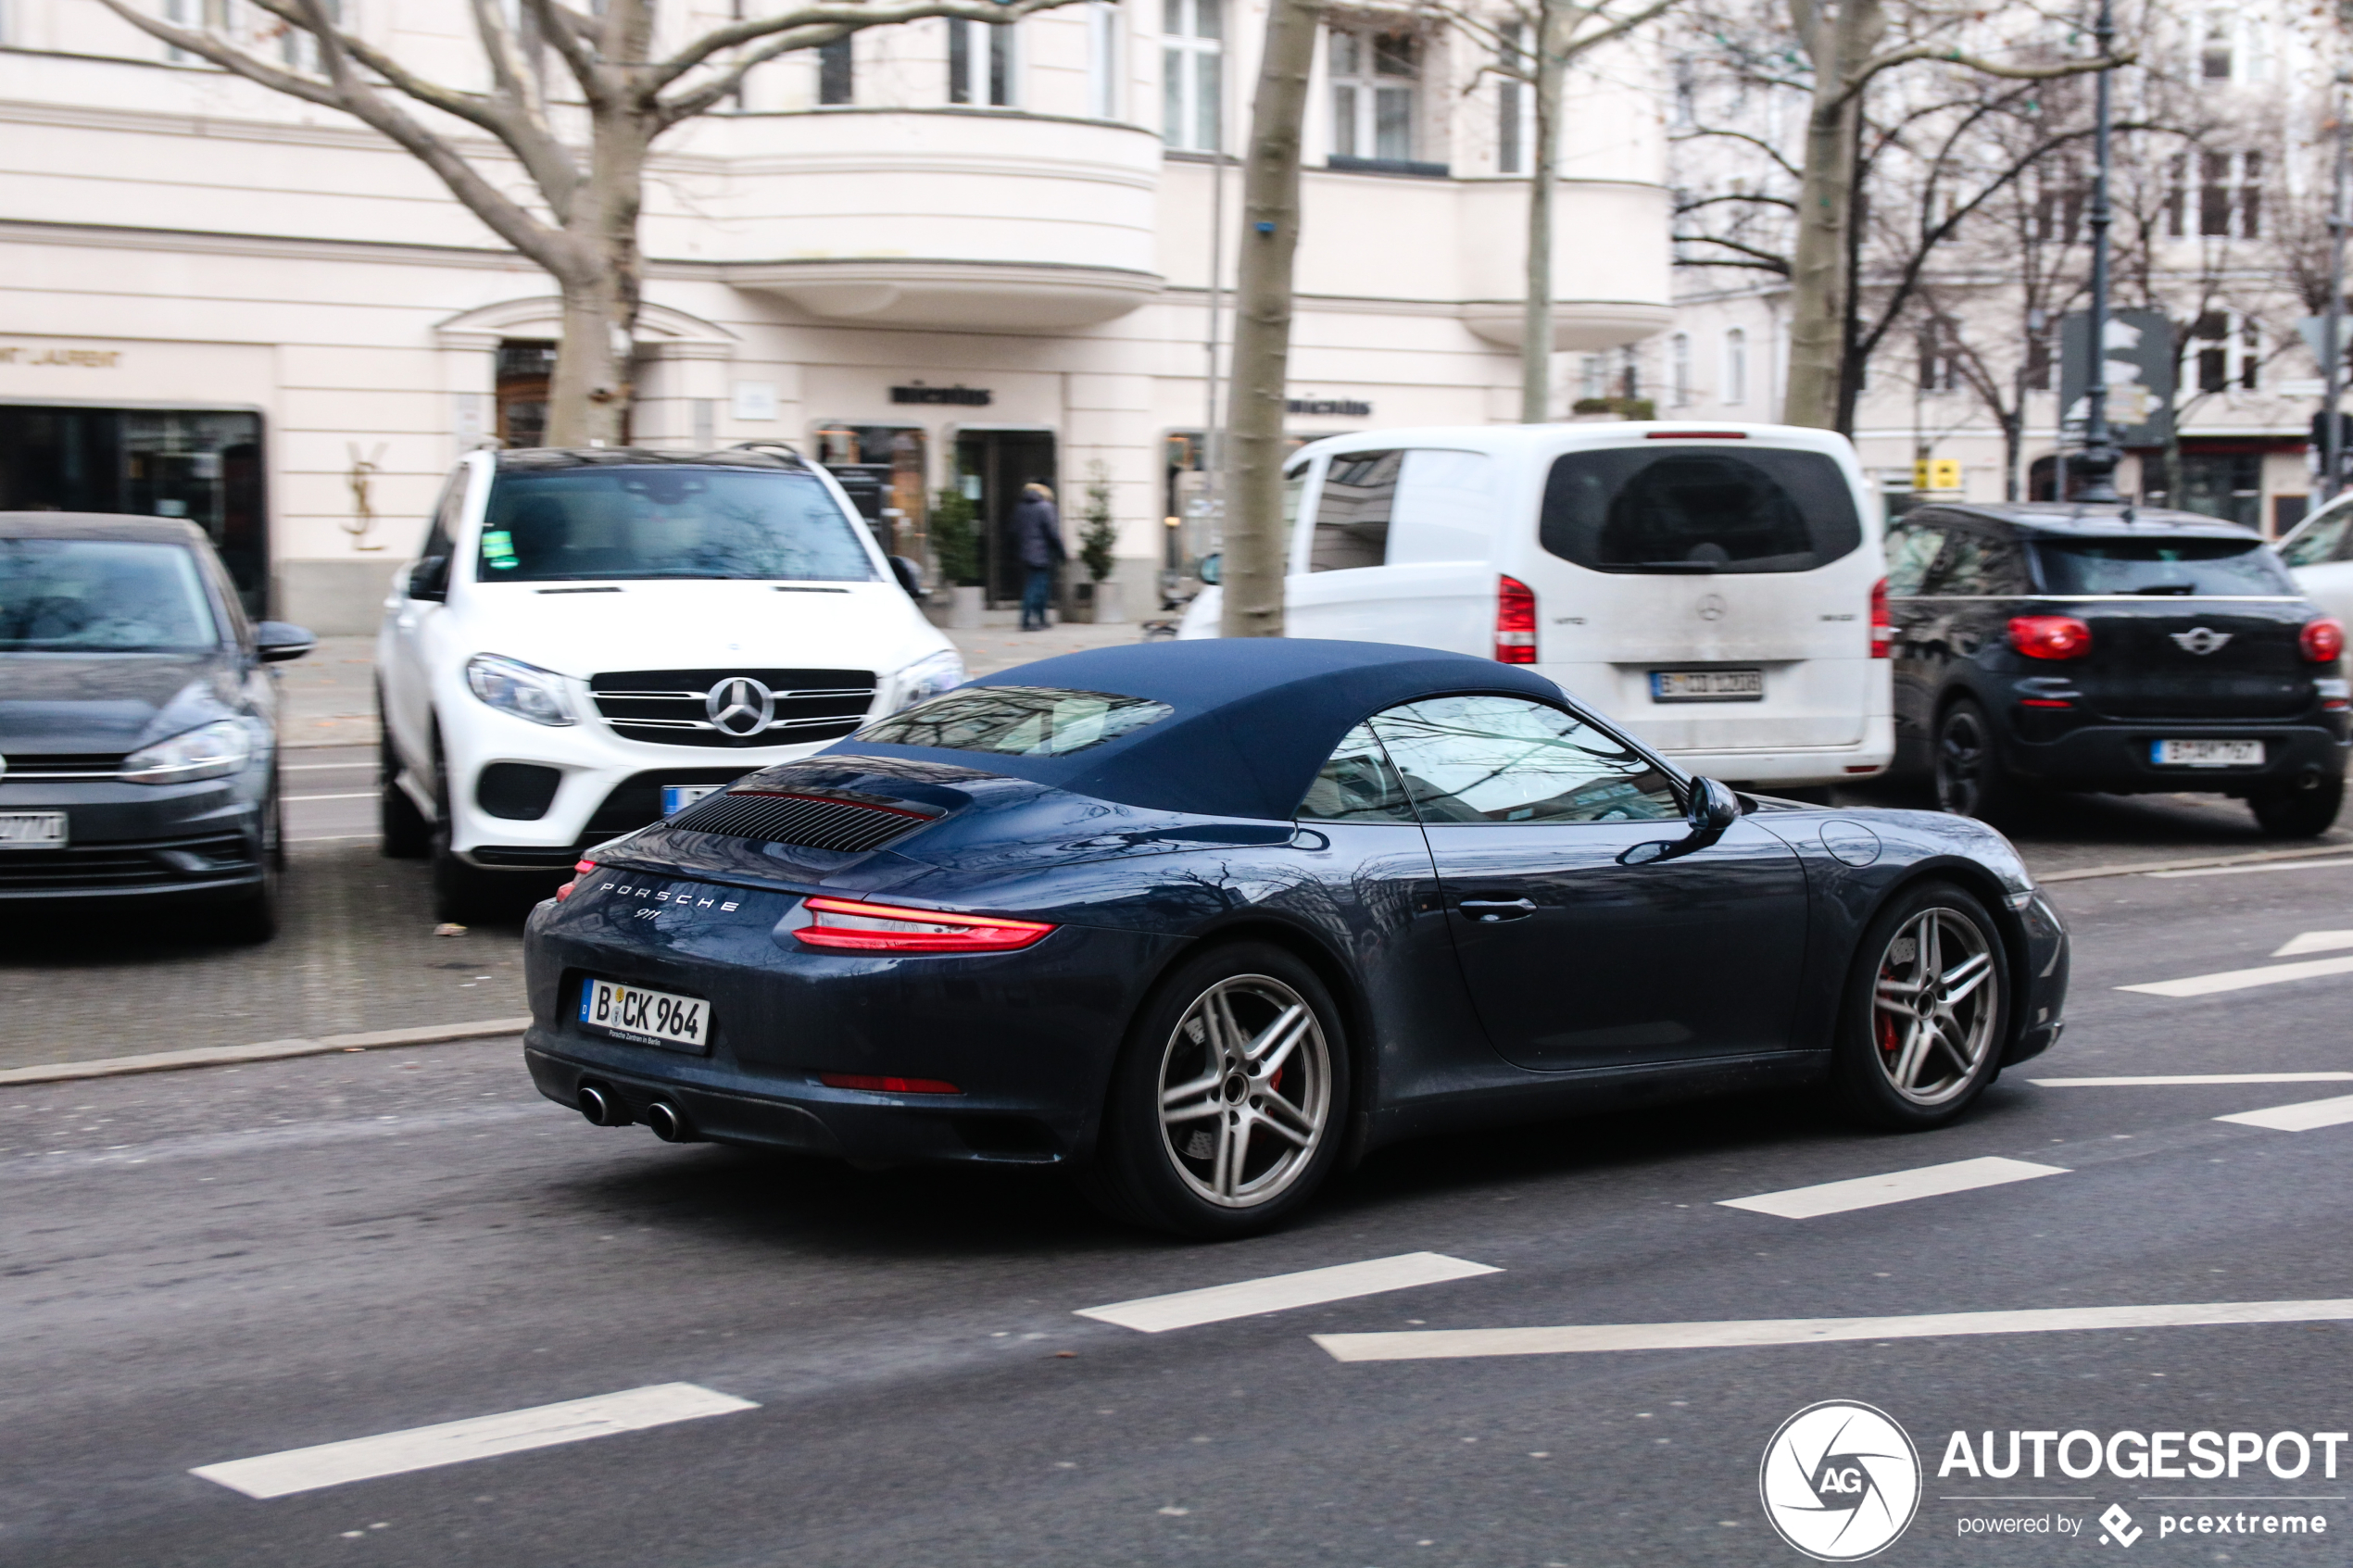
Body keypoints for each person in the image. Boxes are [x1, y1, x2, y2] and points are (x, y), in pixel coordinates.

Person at [1012, 482, 1064, 632]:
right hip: (1042, 553)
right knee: (1037, 588)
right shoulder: (1045, 507)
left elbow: (1014, 530)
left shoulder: (1020, 508)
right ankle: (1027, 621)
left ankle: (1039, 619)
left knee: (1036, 586)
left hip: (1025, 552)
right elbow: (1053, 533)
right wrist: (1061, 552)